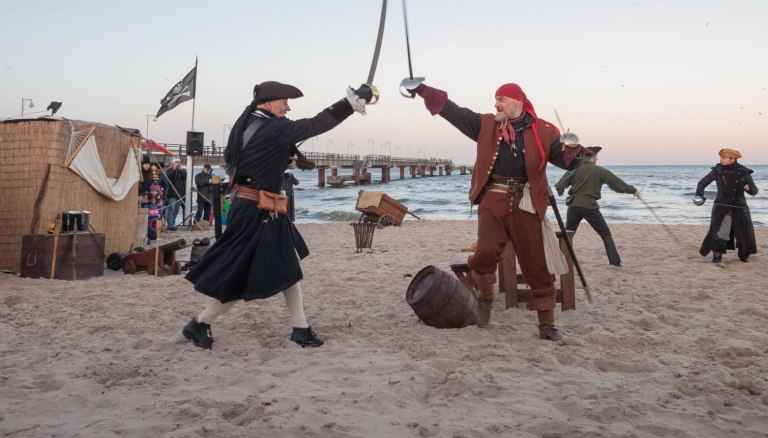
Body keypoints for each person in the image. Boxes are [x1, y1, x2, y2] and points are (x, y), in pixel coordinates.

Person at [181, 80, 375, 351]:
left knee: (288, 267)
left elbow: (260, 155)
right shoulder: (273, 127)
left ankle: (300, 328)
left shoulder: (248, 122)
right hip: (256, 212)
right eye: (284, 102)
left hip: (258, 208)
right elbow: (315, 124)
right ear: (268, 103)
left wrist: (286, 158)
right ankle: (200, 323)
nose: (288, 107)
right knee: (240, 274)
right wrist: (349, 104)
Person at [405, 80, 589, 342]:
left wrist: (575, 152)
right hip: (493, 198)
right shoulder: (486, 124)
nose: (496, 104)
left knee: (537, 264)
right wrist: (423, 90)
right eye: (496, 99)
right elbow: (453, 111)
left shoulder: (544, 131)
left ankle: (547, 325)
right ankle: (485, 297)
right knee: (484, 253)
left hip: (526, 202)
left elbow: (566, 161)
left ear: (518, 102)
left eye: (501, 99)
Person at [554, 146, 640, 267]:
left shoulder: (573, 169)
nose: (597, 159)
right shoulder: (600, 171)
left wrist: (561, 192)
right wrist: (633, 190)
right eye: (596, 156)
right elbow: (617, 184)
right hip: (589, 206)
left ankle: (562, 260)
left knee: (568, 234)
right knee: (605, 234)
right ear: (592, 158)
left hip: (573, 206)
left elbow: (559, 185)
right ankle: (615, 262)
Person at [694, 148, 758, 265]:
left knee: (743, 233)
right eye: (721, 157)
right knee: (722, 231)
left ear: (732, 159)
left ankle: (743, 256)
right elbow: (702, 183)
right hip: (722, 207)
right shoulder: (718, 170)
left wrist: (748, 189)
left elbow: (754, 191)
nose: (721, 160)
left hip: (740, 207)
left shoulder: (744, 172)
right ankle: (717, 258)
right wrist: (699, 196)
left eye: (723, 158)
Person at [163, 158, 188, 230]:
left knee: (176, 210)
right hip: (172, 193)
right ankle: (170, 225)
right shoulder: (169, 170)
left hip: (180, 193)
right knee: (171, 209)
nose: (177, 164)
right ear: (172, 163)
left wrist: (181, 170)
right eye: (176, 163)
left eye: (178, 163)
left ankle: (172, 223)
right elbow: (169, 177)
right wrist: (174, 169)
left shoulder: (182, 170)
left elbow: (184, 177)